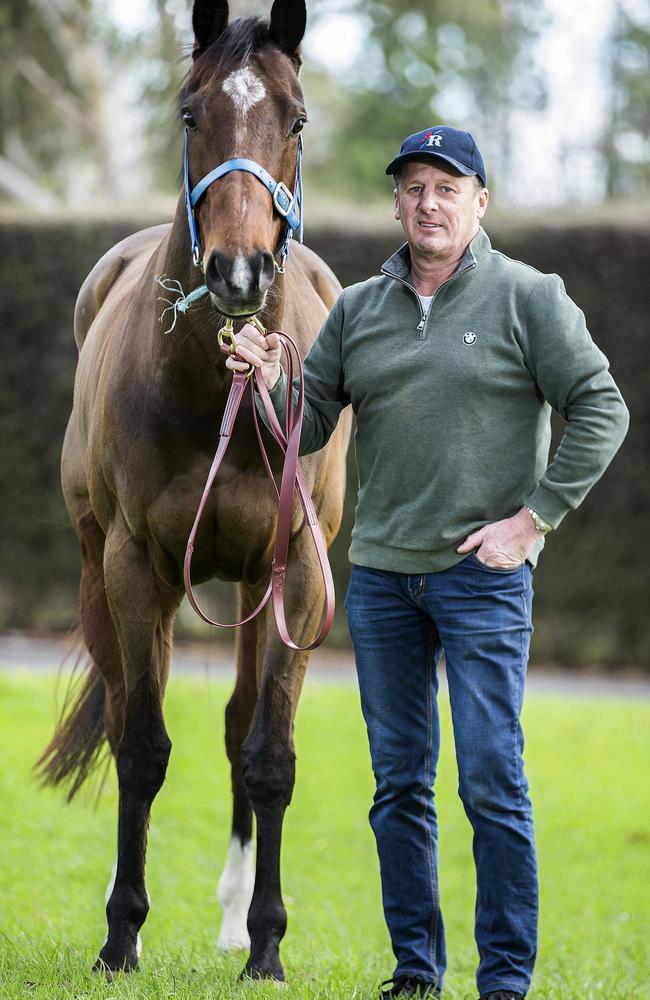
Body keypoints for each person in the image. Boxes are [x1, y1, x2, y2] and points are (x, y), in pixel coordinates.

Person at [226, 126, 629, 1000]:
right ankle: (416, 972)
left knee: (491, 782)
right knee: (399, 787)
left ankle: (506, 982)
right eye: (412, 187)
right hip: (380, 584)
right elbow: (304, 427)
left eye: (447, 187)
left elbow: (602, 406)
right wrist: (262, 380)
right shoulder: (359, 310)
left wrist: (535, 519)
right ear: (396, 204)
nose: (428, 203)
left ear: (480, 201)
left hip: (484, 582)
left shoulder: (530, 296)